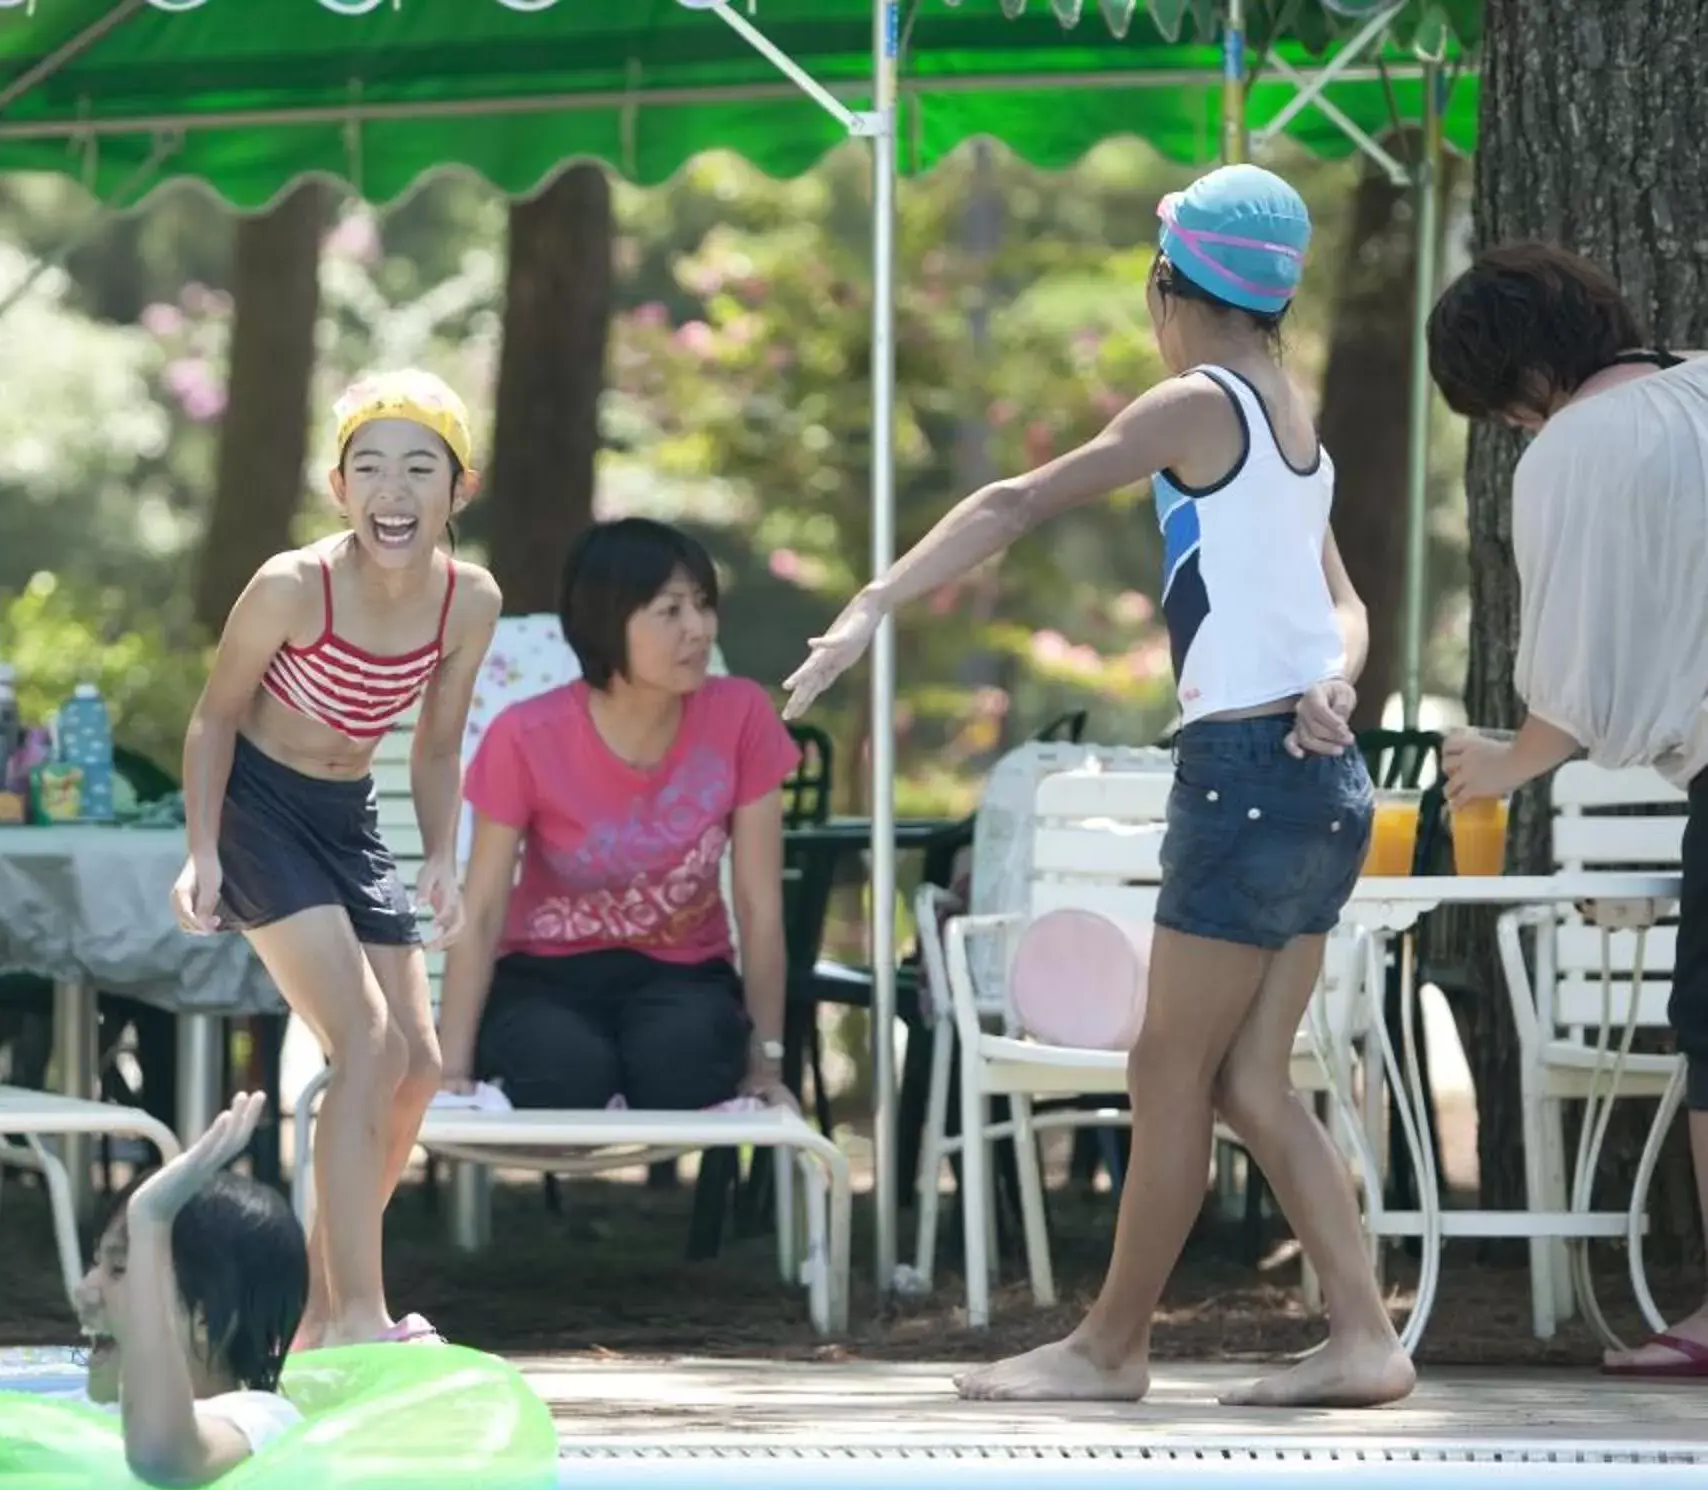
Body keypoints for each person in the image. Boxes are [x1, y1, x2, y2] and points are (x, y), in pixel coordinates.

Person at [785, 163, 1411, 1409]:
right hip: (1324, 777)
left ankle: (1111, 1345)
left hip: (1244, 776)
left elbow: (1018, 498)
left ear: (1169, 285)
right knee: (1248, 1081)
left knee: (1169, 1075)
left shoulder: (1195, 402)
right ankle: (1363, 1338)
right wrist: (1337, 682)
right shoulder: (1295, 421)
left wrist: (871, 606)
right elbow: (1346, 605)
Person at [171, 369, 505, 1348]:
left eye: (417, 468)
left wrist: (441, 853)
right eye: (370, 467)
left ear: (459, 489)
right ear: (339, 485)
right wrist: (201, 850)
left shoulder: (468, 602)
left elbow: (437, 746)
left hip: (348, 812)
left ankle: (321, 1311)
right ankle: (362, 1311)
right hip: (258, 805)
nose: (392, 490)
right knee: (363, 1041)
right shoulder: (292, 585)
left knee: (416, 1060)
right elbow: (213, 717)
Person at [1429, 242, 1708, 1377]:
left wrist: (1508, 761)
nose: (1512, 431)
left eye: (1499, 411)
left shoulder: (1573, 452)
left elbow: (1577, 679)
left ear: (1517, 379)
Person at [438, 519, 800, 1115]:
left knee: (684, 1066)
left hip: (685, 975)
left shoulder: (743, 716)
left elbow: (761, 908)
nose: (698, 629)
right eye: (670, 610)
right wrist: (451, 1071)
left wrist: (766, 1064)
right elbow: (480, 912)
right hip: (543, 976)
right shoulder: (524, 736)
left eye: (703, 606)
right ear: (608, 621)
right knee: (562, 1073)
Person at [0, 1067, 307, 1488]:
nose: (84, 1291)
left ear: (209, 1319)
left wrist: (151, 1222)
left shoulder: (259, 1421)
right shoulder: (83, 1416)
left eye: (120, 1269)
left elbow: (164, 1460)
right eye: (97, 1264)